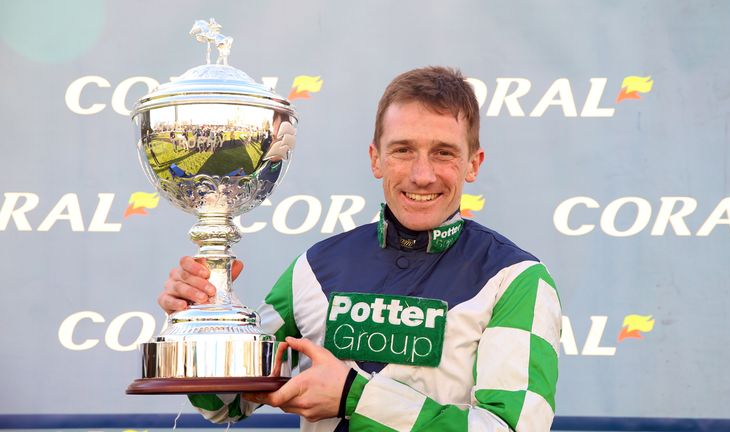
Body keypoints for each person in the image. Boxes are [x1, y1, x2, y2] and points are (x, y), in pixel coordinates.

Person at [159, 66, 562, 431]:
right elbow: (224, 402)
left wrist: (356, 395)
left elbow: (513, 430)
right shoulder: (316, 267)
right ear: (376, 159)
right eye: (403, 150)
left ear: (473, 164)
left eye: (444, 153)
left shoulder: (515, 279)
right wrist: (203, 319)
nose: (422, 175)